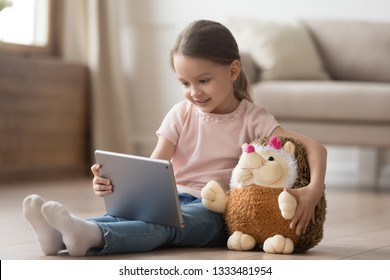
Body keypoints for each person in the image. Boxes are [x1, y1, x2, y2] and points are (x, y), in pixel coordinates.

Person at [23, 19, 327, 256]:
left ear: (233, 71)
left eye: (203, 81)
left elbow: (316, 147)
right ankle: (63, 235)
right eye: (184, 83)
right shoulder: (180, 114)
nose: (194, 92)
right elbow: (154, 168)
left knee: (166, 227)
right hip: (170, 200)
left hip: (217, 211)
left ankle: (92, 236)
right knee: (145, 217)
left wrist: (313, 190)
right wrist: (112, 184)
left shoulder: (253, 117)